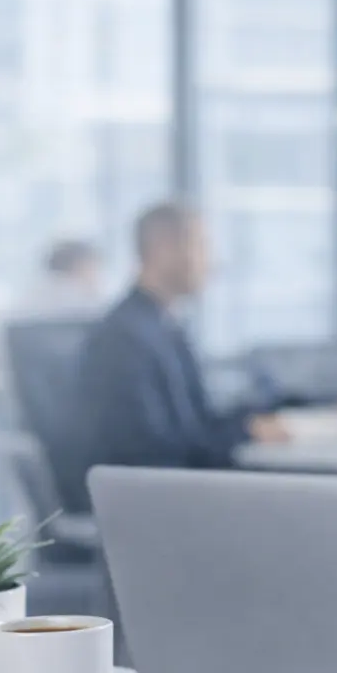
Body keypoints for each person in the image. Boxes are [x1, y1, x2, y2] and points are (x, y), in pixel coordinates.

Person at [72, 202, 285, 509]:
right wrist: (244, 431)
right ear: (164, 249)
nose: (211, 262)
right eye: (201, 245)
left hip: (178, 494)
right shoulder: (124, 338)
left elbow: (192, 427)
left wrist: (248, 423)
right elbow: (151, 451)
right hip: (154, 505)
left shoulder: (165, 327)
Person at [17, 239, 106, 317]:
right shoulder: (73, 298)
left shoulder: (35, 292)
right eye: (92, 267)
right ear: (78, 266)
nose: (96, 274)